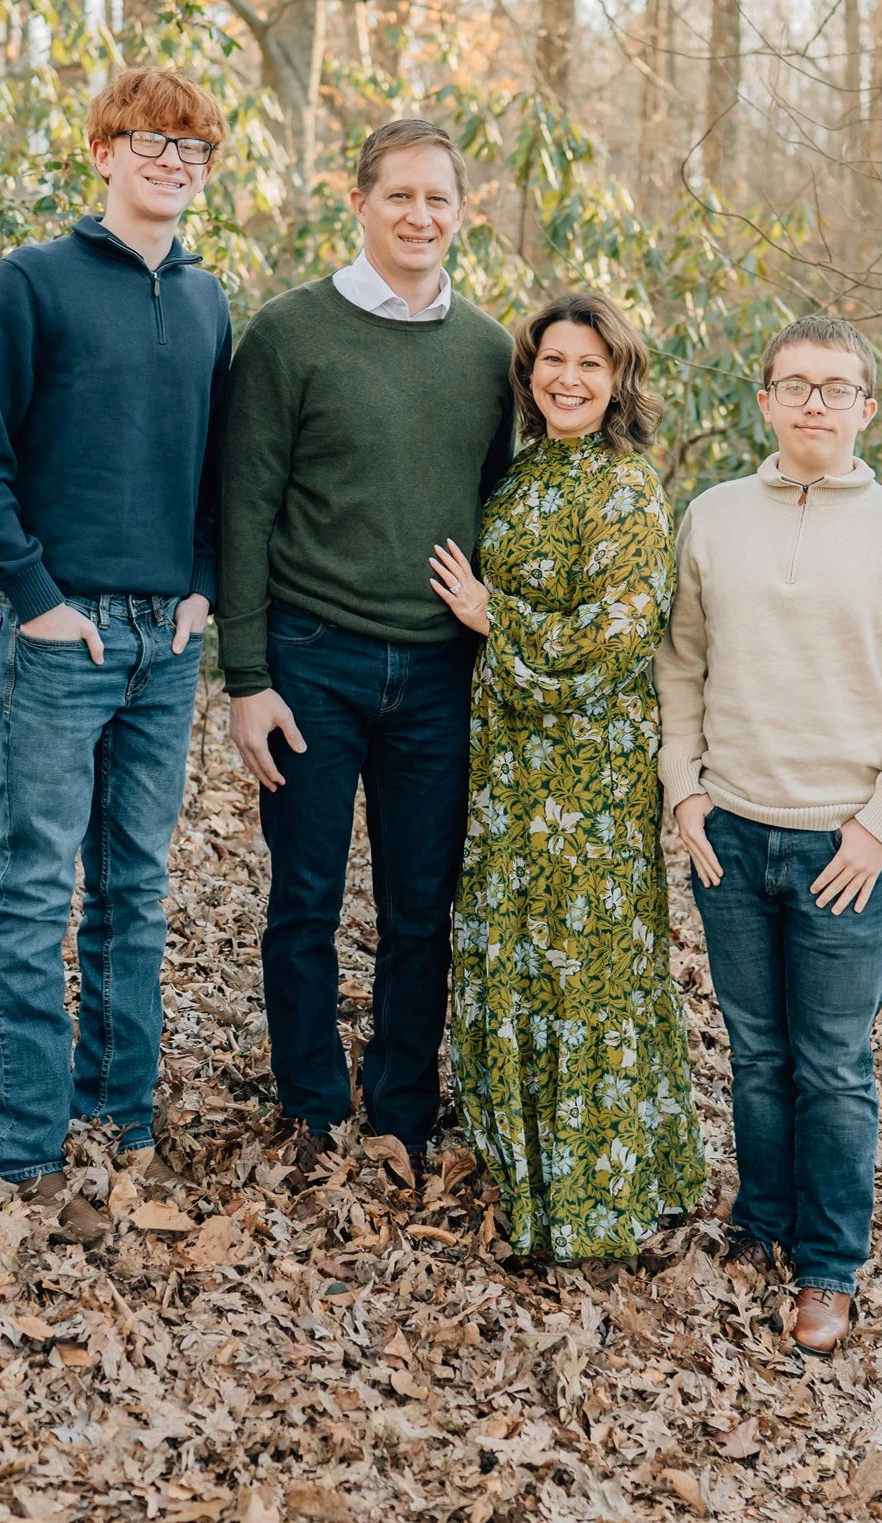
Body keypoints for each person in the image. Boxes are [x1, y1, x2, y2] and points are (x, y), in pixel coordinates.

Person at [0, 67, 233, 1238]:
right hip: (62, 631)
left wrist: (204, 586)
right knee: (34, 881)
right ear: (103, 150)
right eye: (153, 142)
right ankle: (25, 1134)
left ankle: (120, 1107)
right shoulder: (34, 281)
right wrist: (37, 596)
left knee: (137, 885)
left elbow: (219, 469)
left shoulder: (208, 301)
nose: (174, 164)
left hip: (169, 642)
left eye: (196, 150)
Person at [655, 315, 882, 1356]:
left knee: (832, 1063)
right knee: (754, 1052)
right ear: (762, 402)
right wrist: (683, 792)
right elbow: (679, 665)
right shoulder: (711, 517)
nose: (813, 405)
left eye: (835, 388)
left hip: (844, 846)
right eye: (793, 385)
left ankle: (828, 1267)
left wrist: (880, 827)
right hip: (731, 834)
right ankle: (759, 1220)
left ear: (864, 409)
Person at [217, 120, 517, 1179]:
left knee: (418, 904)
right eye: (400, 196)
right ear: (360, 201)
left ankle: (398, 1105)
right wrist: (246, 678)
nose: (420, 216)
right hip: (311, 655)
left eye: (439, 199)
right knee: (301, 893)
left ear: (461, 212)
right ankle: (308, 1102)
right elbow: (241, 510)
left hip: (438, 671)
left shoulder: (489, 351)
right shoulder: (289, 334)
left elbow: (496, 500)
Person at [429, 292, 707, 1265]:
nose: (568, 377)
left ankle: (596, 1192)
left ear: (617, 378)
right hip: (509, 766)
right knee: (515, 953)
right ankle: (523, 1167)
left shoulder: (627, 488)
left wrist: (492, 615)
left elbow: (614, 640)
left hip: (586, 776)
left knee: (587, 970)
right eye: (553, 359)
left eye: (590, 364)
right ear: (530, 371)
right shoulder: (521, 475)